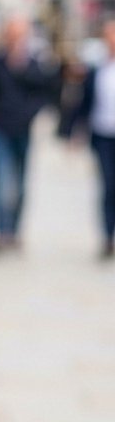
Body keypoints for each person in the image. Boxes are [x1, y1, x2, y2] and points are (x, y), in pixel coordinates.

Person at [0, 15, 56, 252]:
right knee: (1, 182)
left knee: (20, 184)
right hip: (0, 128)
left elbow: (45, 93)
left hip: (23, 130)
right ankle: (0, 232)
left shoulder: (35, 64)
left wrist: (30, 114)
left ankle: (15, 231)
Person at [73, 19, 115, 258]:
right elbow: (84, 102)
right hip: (103, 135)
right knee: (108, 185)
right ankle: (108, 236)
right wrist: (74, 131)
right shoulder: (97, 69)